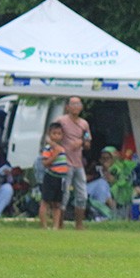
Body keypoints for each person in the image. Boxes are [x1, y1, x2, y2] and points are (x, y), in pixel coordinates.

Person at [56, 96, 92, 230]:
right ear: (67, 107)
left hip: (78, 163)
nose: (76, 107)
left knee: (82, 194)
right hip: (65, 162)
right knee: (64, 193)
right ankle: (59, 223)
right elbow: (51, 136)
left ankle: (79, 224)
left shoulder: (84, 124)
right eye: (73, 104)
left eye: (78, 104)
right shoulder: (61, 121)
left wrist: (82, 142)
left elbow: (88, 142)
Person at [38, 122, 68, 229]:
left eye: (59, 134)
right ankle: (44, 226)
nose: (56, 136)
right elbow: (45, 163)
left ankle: (55, 226)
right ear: (49, 134)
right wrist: (55, 154)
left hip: (61, 178)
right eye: (54, 133)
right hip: (51, 176)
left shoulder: (62, 148)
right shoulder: (48, 148)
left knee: (57, 203)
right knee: (45, 201)